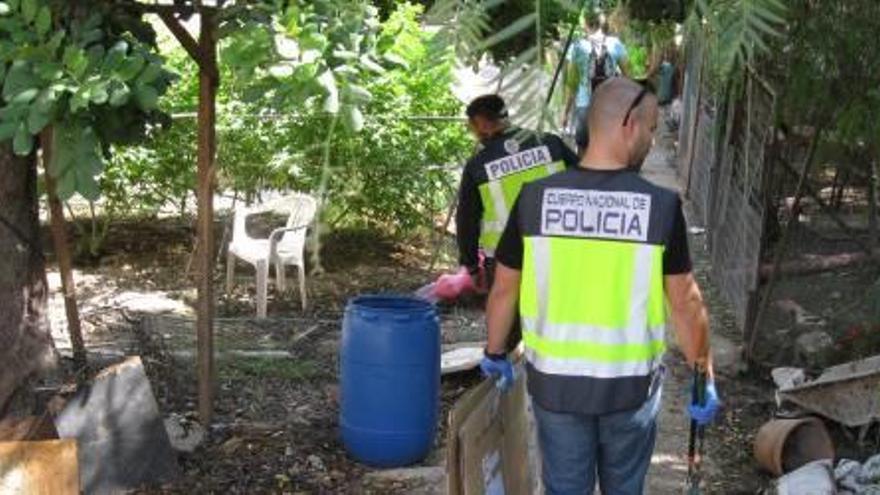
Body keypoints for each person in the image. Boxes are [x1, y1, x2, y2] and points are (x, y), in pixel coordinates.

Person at [480, 78, 720, 493]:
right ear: (628, 125)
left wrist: (494, 350)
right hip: (630, 390)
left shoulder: (534, 199)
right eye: (649, 129)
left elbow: (504, 289)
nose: (650, 139)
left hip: (555, 388)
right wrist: (704, 376)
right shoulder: (659, 208)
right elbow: (685, 303)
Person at [455, 94, 579, 350]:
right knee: (557, 320)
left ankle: (506, 377)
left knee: (507, 328)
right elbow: (585, 180)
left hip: (505, 259)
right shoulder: (550, 143)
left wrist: (471, 265)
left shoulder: (478, 165)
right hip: (558, 249)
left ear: (480, 124)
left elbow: (466, 220)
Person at [562, 15, 629, 155]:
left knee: (583, 153)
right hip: (610, 108)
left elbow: (571, 85)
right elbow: (628, 79)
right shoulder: (615, 43)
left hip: (585, 107)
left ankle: (585, 175)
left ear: (585, 24)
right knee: (607, 154)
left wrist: (566, 113)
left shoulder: (577, 46)